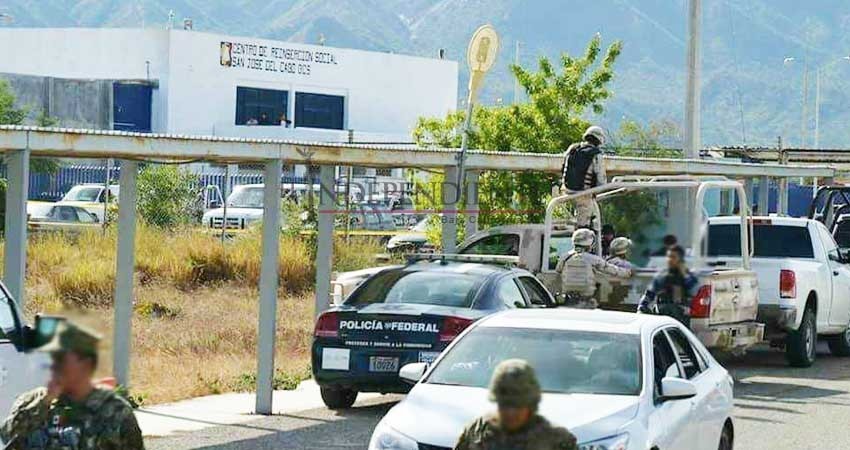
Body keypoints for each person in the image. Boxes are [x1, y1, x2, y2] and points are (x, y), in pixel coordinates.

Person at [0, 321, 145, 450]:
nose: (53, 364)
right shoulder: (30, 401)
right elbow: (6, 436)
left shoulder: (114, 410)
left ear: (86, 364)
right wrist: (44, 400)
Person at [454, 359, 577, 450]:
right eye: (505, 404)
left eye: (517, 405)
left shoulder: (558, 439)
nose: (511, 412)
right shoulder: (477, 430)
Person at [555, 228, 632, 308]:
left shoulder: (564, 257)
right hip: (586, 301)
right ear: (590, 244)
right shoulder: (593, 259)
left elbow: (558, 271)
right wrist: (628, 272)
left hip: (567, 300)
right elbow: (612, 270)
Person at [637, 245, 699, 327]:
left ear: (680, 259)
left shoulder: (688, 276)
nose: (670, 260)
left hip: (680, 320)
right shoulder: (661, 276)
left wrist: (684, 274)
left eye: (673, 257)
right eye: (668, 256)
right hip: (662, 318)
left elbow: (694, 292)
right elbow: (649, 293)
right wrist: (641, 307)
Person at [562, 125, 607, 228]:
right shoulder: (596, 155)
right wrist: (597, 191)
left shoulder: (572, 149)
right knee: (587, 223)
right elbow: (601, 181)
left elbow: (564, 166)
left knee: (578, 216)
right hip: (583, 194)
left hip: (566, 191)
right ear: (599, 140)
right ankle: (584, 231)